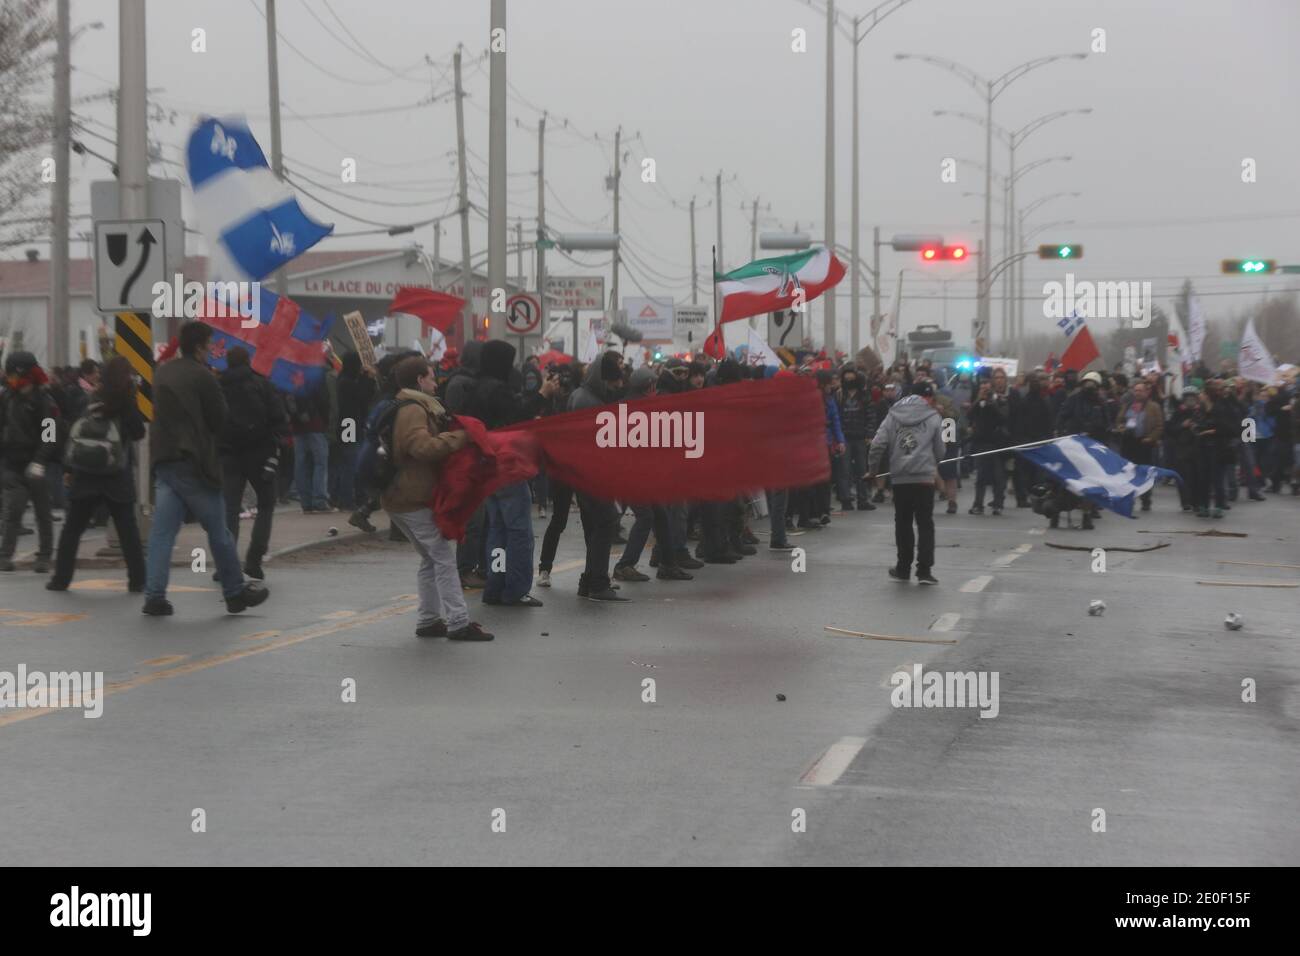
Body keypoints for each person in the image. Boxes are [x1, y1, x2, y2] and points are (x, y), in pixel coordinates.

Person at [143, 321, 269, 616]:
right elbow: (219, 418)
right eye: (210, 344)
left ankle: (154, 595)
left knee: (162, 533)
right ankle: (235, 592)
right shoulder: (203, 376)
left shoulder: (162, 373)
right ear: (200, 347)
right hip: (193, 462)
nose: (212, 350)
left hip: (164, 460)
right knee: (218, 531)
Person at [382, 355, 491, 641]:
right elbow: (420, 448)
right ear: (419, 380)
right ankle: (458, 622)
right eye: (431, 376)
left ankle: (429, 620)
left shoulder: (411, 404)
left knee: (430, 559)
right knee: (442, 557)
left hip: (401, 496)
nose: (436, 380)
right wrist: (460, 438)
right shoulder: (414, 409)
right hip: (411, 496)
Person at [464, 339, 558, 606]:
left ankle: (495, 585)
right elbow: (518, 415)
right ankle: (515, 589)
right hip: (507, 466)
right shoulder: (497, 390)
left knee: (496, 530)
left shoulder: (474, 387)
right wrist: (542, 394)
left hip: (486, 467)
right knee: (518, 532)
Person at [47, 356, 146, 591]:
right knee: (127, 531)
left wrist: (70, 469)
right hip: (116, 475)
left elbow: (79, 433)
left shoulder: (93, 397)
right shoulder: (126, 401)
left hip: (87, 474)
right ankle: (137, 580)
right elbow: (138, 432)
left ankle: (61, 579)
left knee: (72, 529)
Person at [218, 346, 287, 579]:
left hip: (229, 455)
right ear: (249, 361)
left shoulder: (219, 385)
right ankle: (254, 560)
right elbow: (279, 418)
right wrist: (275, 445)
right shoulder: (262, 384)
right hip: (260, 453)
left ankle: (225, 564)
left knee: (229, 509)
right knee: (266, 505)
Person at [868, 381, 945, 586]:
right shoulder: (934, 416)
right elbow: (941, 450)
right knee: (925, 523)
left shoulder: (892, 415)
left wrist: (873, 470)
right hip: (924, 477)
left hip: (900, 477)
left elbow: (877, 444)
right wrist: (932, 463)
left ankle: (903, 568)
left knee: (903, 523)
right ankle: (924, 571)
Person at [567, 351, 630, 601]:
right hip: (591, 474)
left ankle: (589, 579)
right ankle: (598, 583)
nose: (617, 387)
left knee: (594, 527)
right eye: (614, 383)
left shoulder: (579, 395)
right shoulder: (590, 403)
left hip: (581, 474)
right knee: (604, 524)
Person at [0, 351, 60, 573]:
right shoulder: (7, 396)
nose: (9, 379)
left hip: (36, 465)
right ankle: (5, 555)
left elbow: (50, 435)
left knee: (43, 512)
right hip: (12, 464)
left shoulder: (44, 401)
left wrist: (39, 462)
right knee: (12, 510)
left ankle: (44, 556)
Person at [331, 351, 375, 513]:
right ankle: (347, 498)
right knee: (350, 463)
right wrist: (367, 378)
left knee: (349, 463)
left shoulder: (344, 379)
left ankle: (349, 497)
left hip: (349, 423)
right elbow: (363, 396)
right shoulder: (346, 382)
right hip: (349, 424)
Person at [1115, 379, 1164, 512]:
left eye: (1140, 390)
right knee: (1128, 473)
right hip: (1129, 443)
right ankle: (1128, 499)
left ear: (1146, 392)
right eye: (1135, 390)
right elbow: (1119, 420)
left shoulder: (1154, 407)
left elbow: (1159, 426)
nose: (1137, 393)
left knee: (1144, 473)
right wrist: (1121, 427)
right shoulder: (1127, 405)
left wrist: (1151, 438)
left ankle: (1146, 499)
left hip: (1144, 444)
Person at [968, 373, 1010, 515]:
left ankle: (998, 504)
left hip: (997, 443)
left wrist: (991, 404)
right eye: (982, 388)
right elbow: (970, 415)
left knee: (998, 476)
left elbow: (1003, 418)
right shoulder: (979, 402)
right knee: (981, 476)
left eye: (986, 388)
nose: (984, 391)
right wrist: (978, 400)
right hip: (981, 442)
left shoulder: (999, 400)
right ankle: (978, 504)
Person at [289, 378, 331, 512]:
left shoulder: (289, 375)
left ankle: (305, 501)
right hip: (315, 424)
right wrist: (325, 421)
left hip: (297, 425)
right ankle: (319, 500)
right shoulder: (313, 376)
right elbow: (323, 400)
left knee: (301, 464)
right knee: (320, 463)